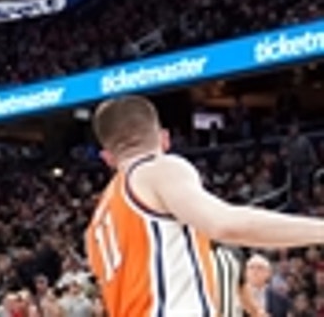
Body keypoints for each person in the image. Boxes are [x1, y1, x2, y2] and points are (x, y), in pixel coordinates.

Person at [85, 95, 324, 317]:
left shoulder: (97, 223)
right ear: (165, 139)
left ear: (107, 158)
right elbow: (224, 224)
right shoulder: (158, 169)